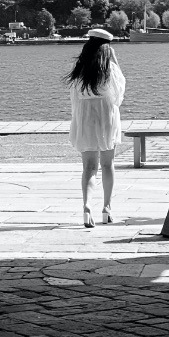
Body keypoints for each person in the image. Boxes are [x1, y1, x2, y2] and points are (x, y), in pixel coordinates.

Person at [65, 27, 126, 228]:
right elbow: (118, 97)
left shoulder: (80, 69)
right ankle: (107, 208)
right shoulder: (110, 68)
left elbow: (74, 99)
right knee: (108, 164)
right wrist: (115, 61)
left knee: (89, 167)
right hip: (106, 115)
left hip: (85, 116)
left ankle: (86, 206)